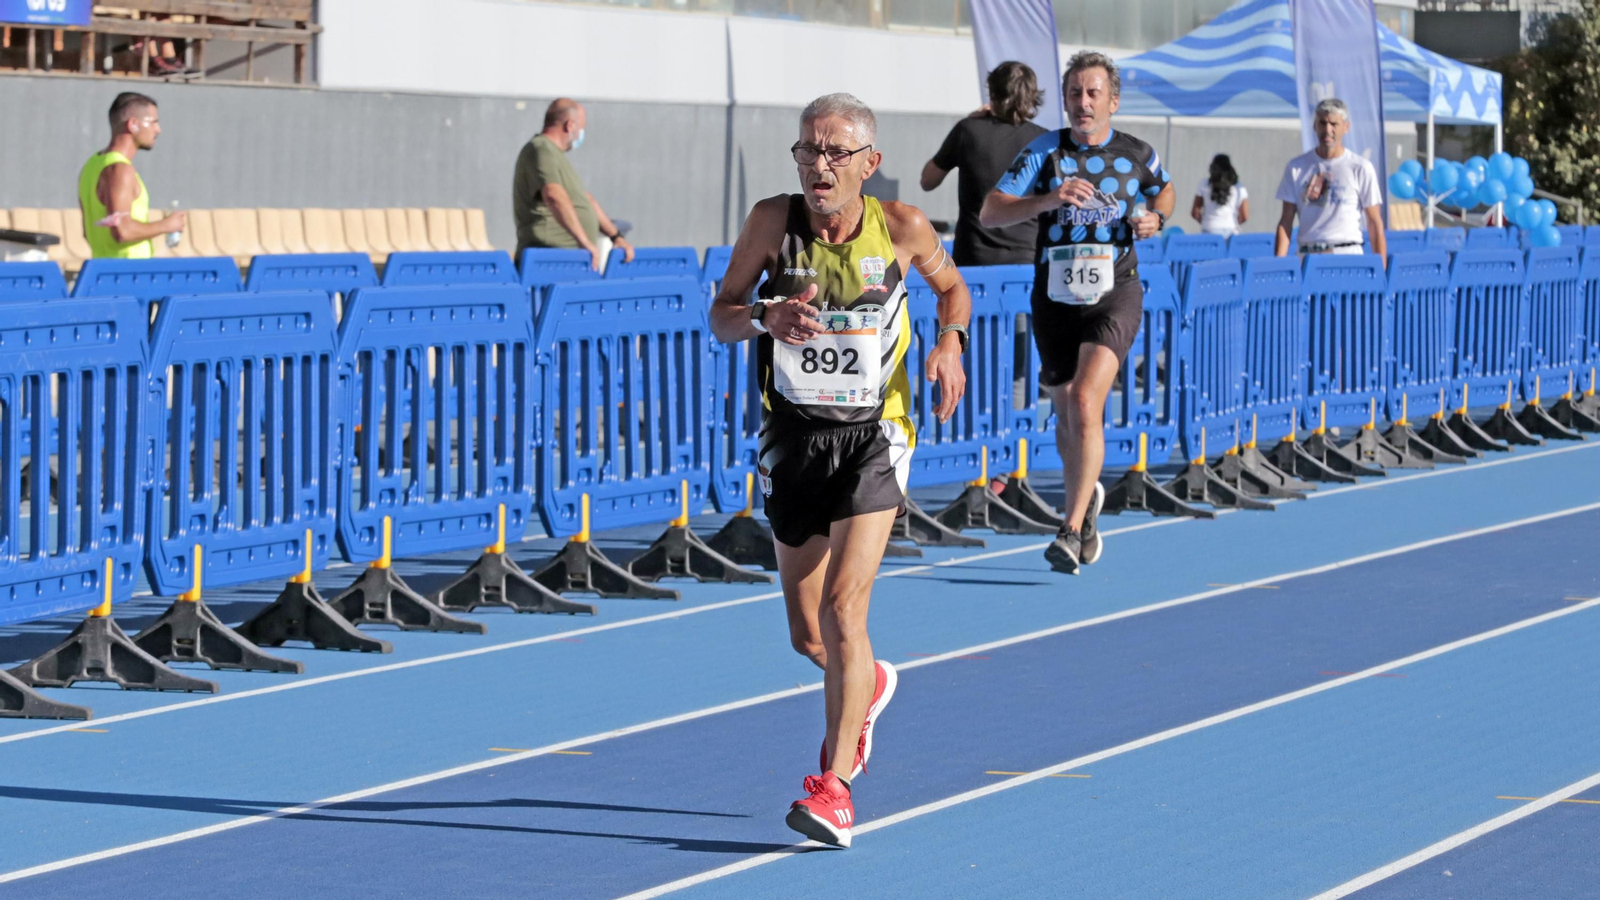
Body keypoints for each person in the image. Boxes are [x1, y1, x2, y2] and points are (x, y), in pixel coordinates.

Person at [710, 93, 970, 848]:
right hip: (794, 436)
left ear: (869, 164)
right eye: (806, 150)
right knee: (809, 636)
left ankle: (835, 789)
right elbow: (720, 313)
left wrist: (948, 342)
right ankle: (873, 684)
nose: (817, 166)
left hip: (872, 435)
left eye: (833, 153)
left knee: (845, 609)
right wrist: (766, 315)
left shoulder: (902, 228)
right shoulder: (771, 221)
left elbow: (953, 289)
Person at [979, 50, 1174, 575]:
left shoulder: (1136, 153)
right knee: (1067, 412)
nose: (1082, 103)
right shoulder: (1044, 152)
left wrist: (1155, 218)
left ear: (1112, 100)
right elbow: (991, 211)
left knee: (1087, 401)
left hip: (1116, 289)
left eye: (1092, 93)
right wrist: (1047, 201)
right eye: (1073, 94)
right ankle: (1085, 504)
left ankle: (1067, 530)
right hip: (1055, 294)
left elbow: (1166, 191)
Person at [920, 61, 1049, 266]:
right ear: (1032, 97)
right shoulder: (1045, 141)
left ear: (993, 94)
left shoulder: (968, 131)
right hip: (1029, 260)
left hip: (974, 260)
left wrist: (968, 125)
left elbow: (927, 180)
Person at [512, 98, 634, 270]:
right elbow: (554, 195)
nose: (580, 134)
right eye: (581, 128)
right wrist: (584, 242)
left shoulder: (556, 157)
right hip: (549, 263)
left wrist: (616, 237)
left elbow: (586, 200)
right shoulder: (541, 149)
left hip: (571, 260)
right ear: (569, 125)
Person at [1273, 98, 1385, 260]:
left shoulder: (1360, 167)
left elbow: (1374, 222)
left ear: (1346, 127)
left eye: (1334, 124)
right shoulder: (1296, 167)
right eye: (1322, 123)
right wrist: (1279, 263)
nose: (1328, 130)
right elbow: (1286, 220)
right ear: (1314, 126)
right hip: (1308, 255)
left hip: (1346, 254)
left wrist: (1380, 269)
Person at [77, 92, 185, 259]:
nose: (158, 130)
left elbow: (87, 231)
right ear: (133, 124)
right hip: (128, 276)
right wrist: (167, 225)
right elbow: (122, 230)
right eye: (154, 122)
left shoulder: (91, 166)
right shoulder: (120, 170)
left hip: (105, 272)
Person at [1191, 153, 1249, 236]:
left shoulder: (1204, 184)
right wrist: (1233, 222)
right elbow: (1245, 216)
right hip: (1231, 231)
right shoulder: (1238, 187)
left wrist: (1206, 222)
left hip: (1209, 229)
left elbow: (1195, 212)